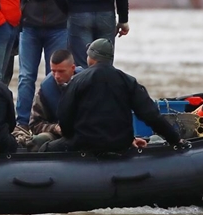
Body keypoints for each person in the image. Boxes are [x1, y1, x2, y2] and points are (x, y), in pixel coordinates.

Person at [39, 39, 184, 153]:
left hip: (84, 143)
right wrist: (175, 139)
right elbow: (151, 115)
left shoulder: (77, 81)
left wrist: (72, 137)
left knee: (45, 149)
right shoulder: (128, 81)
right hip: (120, 144)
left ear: (91, 57)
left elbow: (64, 117)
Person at [13, 0, 68, 132]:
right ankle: (22, 123)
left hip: (59, 27)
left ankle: (55, 121)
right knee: (26, 76)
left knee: (54, 76)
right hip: (30, 27)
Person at [28, 49, 82, 149]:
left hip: (84, 133)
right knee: (38, 140)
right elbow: (34, 124)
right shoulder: (45, 89)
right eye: (53, 71)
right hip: (58, 136)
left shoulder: (87, 83)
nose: (57, 76)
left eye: (61, 71)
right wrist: (55, 128)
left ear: (72, 68)